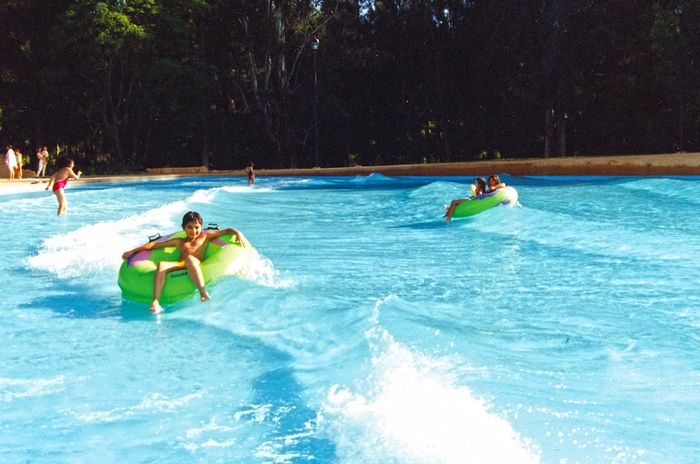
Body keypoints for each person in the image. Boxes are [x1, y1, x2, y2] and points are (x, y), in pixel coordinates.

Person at [121, 211, 247, 313]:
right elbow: (155, 245)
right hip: (181, 265)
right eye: (190, 228)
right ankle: (155, 301)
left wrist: (237, 233)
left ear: (201, 227)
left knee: (190, 259)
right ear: (183, 228)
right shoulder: (179, 241)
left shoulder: (205, 236)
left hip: (196, 263)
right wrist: (133, 251)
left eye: (197, 227)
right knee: (162, 265)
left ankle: (203, 294)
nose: (193, 231)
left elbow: (226, 231)